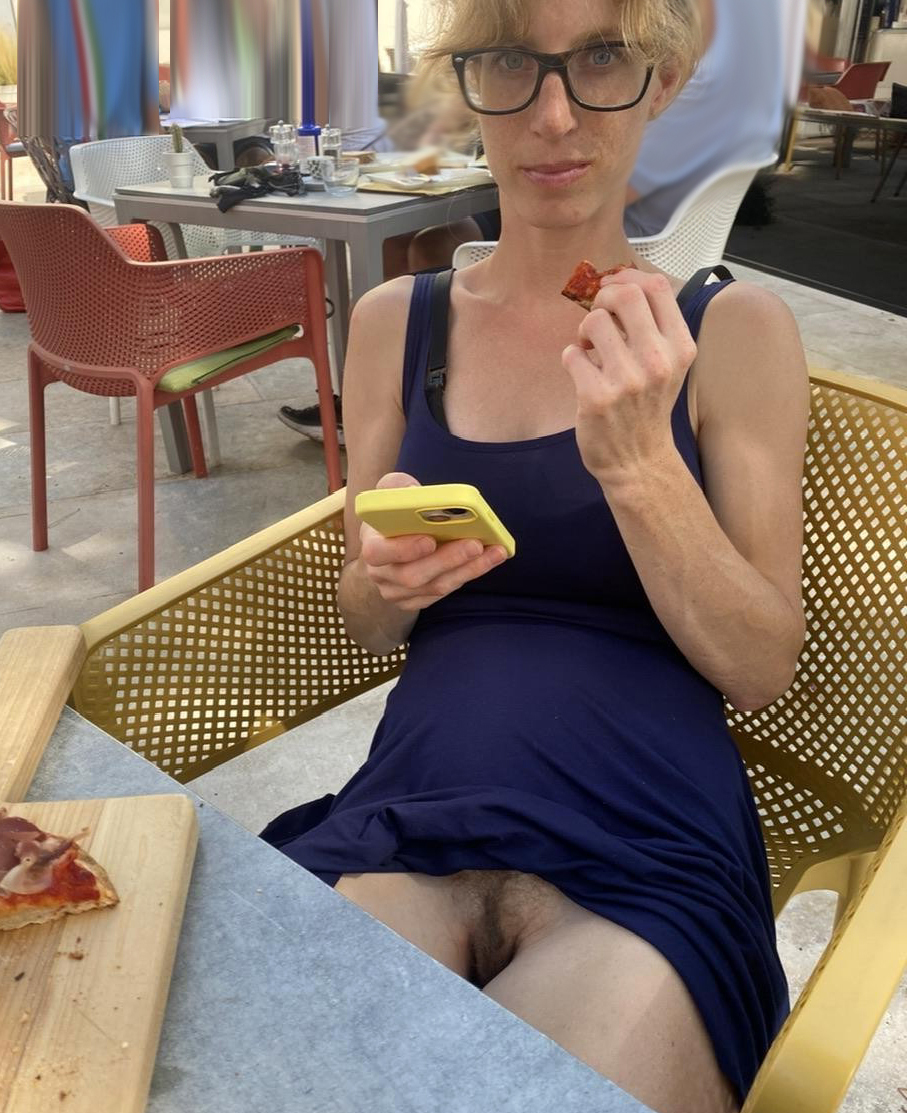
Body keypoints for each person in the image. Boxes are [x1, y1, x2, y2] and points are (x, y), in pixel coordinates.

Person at [261, 1, 809, 1110]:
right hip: (414, 808)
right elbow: (367, 620)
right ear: (468, 84)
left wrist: (641, 467)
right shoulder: (396, 322)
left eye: (601, 58)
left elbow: (760, 666)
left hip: (644, 844)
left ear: (660, 83)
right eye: (512, 61)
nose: (553, 115)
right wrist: (384, 580)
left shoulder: (731, 331)